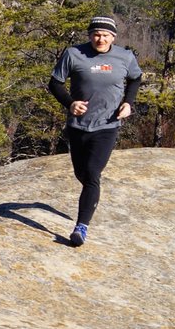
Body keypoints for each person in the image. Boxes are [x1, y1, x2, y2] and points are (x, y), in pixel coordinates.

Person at [48, 16, 142, 246]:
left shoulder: (125, 57)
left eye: (105, 35)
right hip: (78, 126)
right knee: (81, 173)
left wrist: (128, 103)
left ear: (114, 37)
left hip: (107, 125)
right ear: (90, 35)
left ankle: (81, 227)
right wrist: (70, 103)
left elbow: (136, 78)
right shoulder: (74, 54)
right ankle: (90, 199)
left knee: (91, 174)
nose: (100, 39)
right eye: (96, 34)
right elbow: (55, 83)